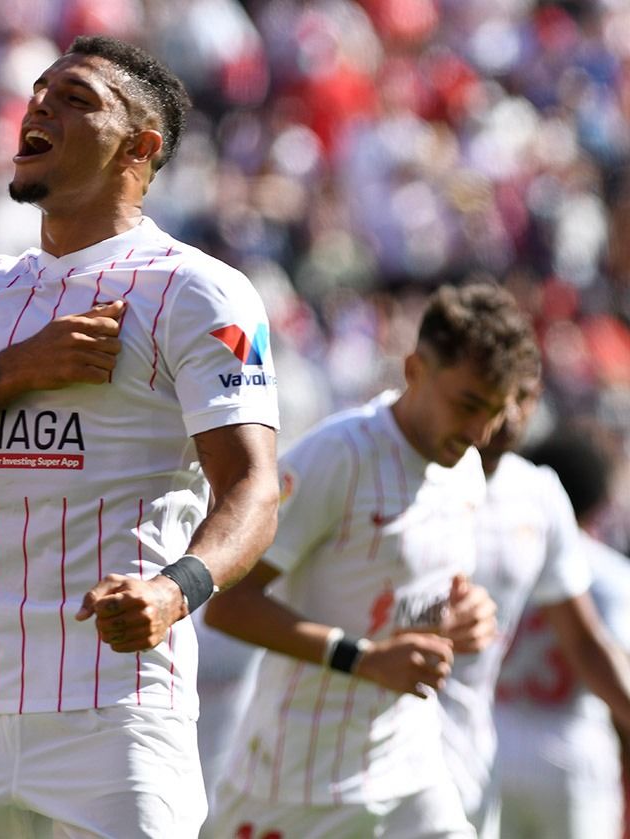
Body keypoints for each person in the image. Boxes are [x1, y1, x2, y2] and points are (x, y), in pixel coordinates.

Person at [0, 35, 281, 838]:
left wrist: (174, 589)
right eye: (39, 92)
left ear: (140, 149)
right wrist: (15, 370)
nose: (40, 105)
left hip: (115, 711)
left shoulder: (199, 290)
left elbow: (254, 489)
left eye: (76, 98)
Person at [203, 282, 535, 839]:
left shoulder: (467, 466)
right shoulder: (339, 454)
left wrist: (463, 614)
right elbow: (230, 604)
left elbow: (407, 596)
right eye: (468, 404)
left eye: (496, 412)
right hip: (298, 779)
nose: (480, 433)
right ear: (414, 369)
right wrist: (364, 659)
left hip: (409, 766)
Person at [486, 427, 630, 839]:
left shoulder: (505, 553)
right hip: (573, 744)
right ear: (597, 499)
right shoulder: (606, 572)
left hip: (496, 737)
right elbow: (612, 655)